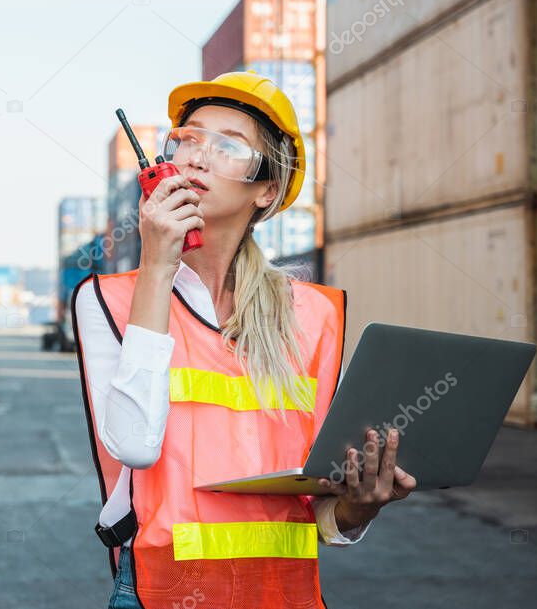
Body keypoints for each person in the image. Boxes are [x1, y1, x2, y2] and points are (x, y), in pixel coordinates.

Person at [71, 70, 417, 609]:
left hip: (287, 595)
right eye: (186, 140)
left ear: (267, 190)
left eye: (227, 146)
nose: (196, 156)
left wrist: (360, 507)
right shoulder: (109, 299)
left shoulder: (313, 315)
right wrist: (157, 266)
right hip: (159, 592)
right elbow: (135, 446)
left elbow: (321, 514)